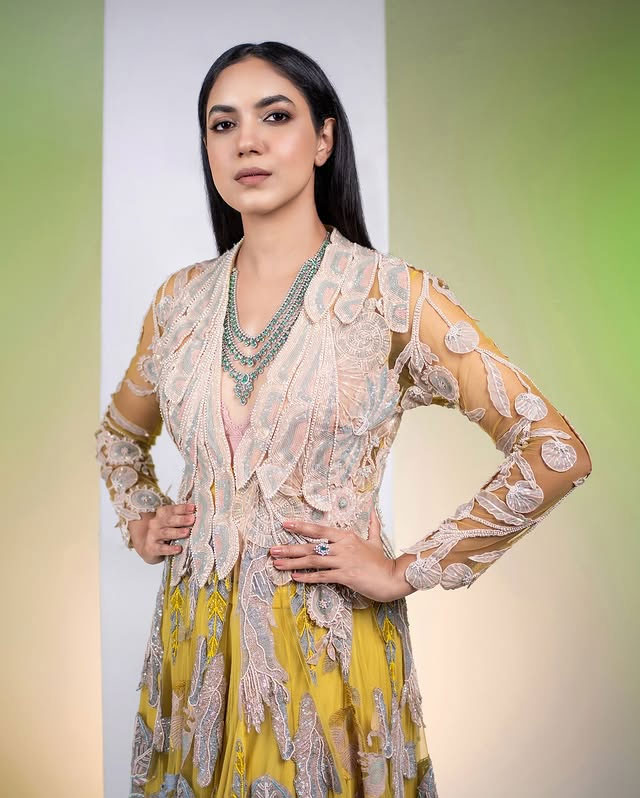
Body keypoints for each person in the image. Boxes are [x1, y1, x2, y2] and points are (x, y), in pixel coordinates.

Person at [95, 41, 593, 798]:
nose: (247, 142)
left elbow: (553, 450)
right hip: (193, 653)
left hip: (327, 652)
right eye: (223, 124)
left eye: (275, 117)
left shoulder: (391, 298)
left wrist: (405, 569)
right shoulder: (179, 302)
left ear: (324, 138)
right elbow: (119, 436)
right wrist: (141, 516)